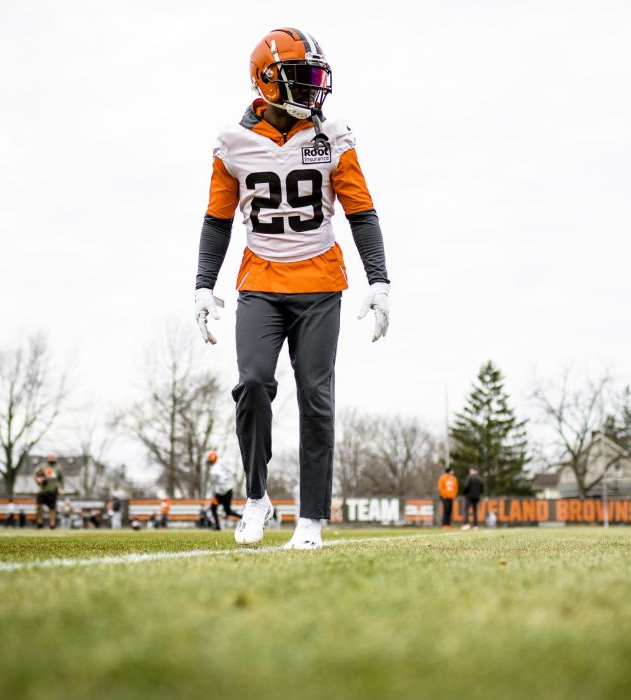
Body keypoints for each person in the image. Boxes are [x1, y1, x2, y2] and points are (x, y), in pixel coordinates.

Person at [192, 28, 390, 551]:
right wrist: (202, 286)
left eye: (316, 80)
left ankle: (311, 519)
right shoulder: (232, 144)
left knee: (316, 396)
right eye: (302, 80)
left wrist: (379, 280)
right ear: (267, 82)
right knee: (253, 384)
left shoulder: (334, 136)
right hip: (260, 282)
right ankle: (256, 498)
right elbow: (217, 222)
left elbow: (361, 212)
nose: (314, 92)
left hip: (321, 283)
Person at [205, 451, 241, 531]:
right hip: (227, 490)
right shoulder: (222, 463)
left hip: (223, 492)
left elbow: (214, 484)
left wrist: (213, 496)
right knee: (214, 508)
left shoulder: (214, 470)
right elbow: (232, 472)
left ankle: (243, 518)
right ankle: (217, 526)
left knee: (227, 511)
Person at [35, 453, 63, 529]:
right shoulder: (42, 466)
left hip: (52, 490)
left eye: (53, 458)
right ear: (47, 458)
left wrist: (61, 488)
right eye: (50, 458)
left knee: (52, 508)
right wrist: (38, 479)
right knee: (39, 506)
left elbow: (62, 479)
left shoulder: (58, 468)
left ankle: (52, 524)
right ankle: (40, 522)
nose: (52, 459)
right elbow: (35, 475)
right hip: (42, 490)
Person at [437, 464, 458, 528]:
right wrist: (444, 495)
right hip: (445, 497)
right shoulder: (443, 477)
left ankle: (448, 524)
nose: (453, 472)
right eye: (452, 470)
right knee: (445, 510)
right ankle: (444, 524)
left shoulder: (454, 478)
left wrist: (453, 495)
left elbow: (456, 488)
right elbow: (440, 488)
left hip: (451, 497)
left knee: (450, 511)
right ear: (449, 471)